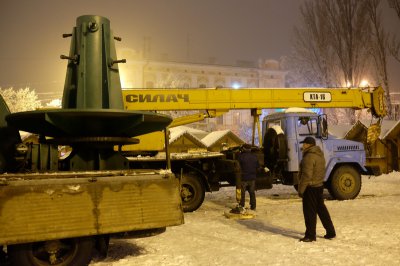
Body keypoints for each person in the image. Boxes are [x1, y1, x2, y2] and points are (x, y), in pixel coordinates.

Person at [298, 136, 336, 242]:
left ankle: (310, 235)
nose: (303, 145)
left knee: (309, 212)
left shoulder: (308, 157)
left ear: (309, 145)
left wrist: (301, 190)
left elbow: (306, 175)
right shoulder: (319, 155)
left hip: (310, 188)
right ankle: (330, 231)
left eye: (304, 144)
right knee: (322, 210)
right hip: (319, 186)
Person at [238, 143, 259, 211]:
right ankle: (253, 206)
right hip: (252, 177)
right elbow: (257, 166)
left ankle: (242, 205)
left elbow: (238, 166)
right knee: (252, 192)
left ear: (243, 149)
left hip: (244, 177)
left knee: (243, 192)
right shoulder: (254, 156)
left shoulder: (240, 156)